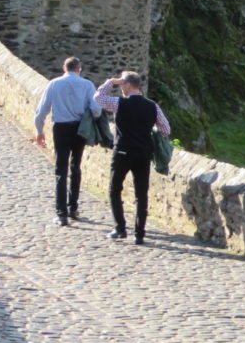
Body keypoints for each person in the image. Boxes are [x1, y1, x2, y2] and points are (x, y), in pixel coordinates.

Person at [93, 70, 170, 245]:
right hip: (143, 153)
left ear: (127, 85)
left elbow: (98, 98)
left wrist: (111, 81)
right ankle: (139, 234)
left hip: (123, 151)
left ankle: (120, 228)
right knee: (141, 193)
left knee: (115, 189)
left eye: (122, 85)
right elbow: (165, 130)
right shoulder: (153, 106)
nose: (120, 88)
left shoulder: (120, 103)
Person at [34, 56, 100, 226]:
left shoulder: (54, 84)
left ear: (64, 68)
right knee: (76, 166)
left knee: (60, 170)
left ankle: (61, 213)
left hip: (61, 129)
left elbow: (41, 111)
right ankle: (73, 207)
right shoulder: (87, 85)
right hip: (80, 129)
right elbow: (96, 110)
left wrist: (39, 131)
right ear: (79, 69)